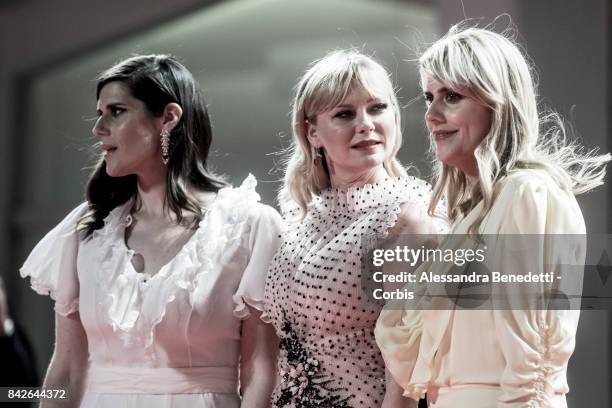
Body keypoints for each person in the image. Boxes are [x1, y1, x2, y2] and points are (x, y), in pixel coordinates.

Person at [20, 54, 281, 407]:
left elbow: (259, 373)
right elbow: (65, 372)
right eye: (99, 114)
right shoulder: (85, 230)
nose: (98, 129)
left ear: (168, 118)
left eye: (116, 111)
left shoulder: (249, 226)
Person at [375, 25, 610, 407]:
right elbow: (415, 361)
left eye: (451, 96)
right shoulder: (476, 214)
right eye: (429, 97)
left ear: (497, 103)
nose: (431, 114)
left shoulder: (526, 193)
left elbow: (533, 371)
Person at [263, 49, 445, 408]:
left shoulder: (408, 219)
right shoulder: (299, 218)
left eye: (377, 108)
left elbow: (408, 373)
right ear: (311, 133)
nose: (365, 124)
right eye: (345, 114)